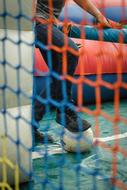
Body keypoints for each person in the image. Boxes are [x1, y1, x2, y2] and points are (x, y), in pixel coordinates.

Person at [32, 0, 121, 143]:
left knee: (57, 78)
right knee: (70, 51)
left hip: (48, 25)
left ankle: (30, 127)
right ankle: (65, 110)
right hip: (38, 23)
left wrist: (99, 16)